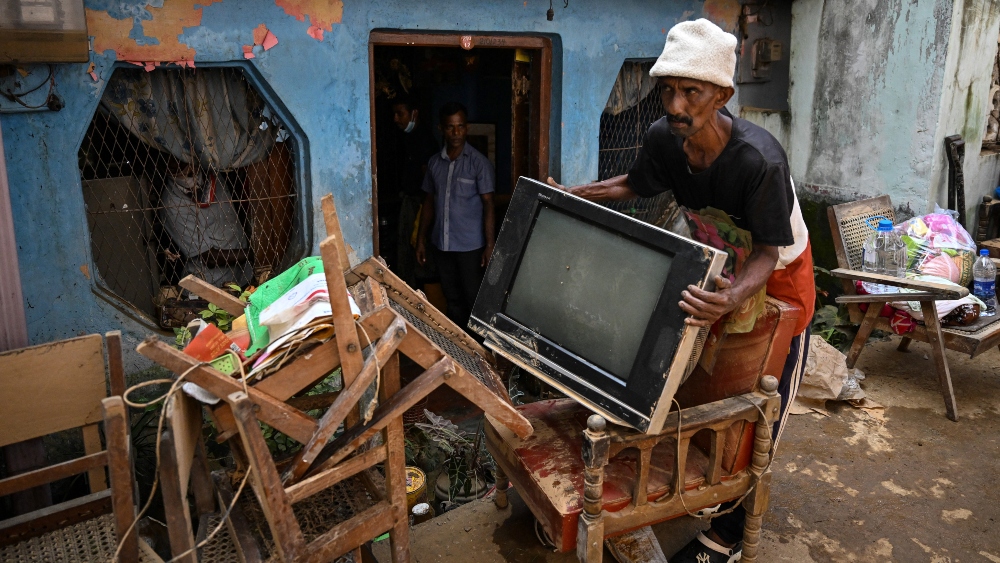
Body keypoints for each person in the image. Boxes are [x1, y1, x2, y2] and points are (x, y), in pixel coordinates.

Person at [549, 19, 814, 563]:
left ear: (722, 96)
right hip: (717, 266)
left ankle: (731, 531)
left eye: (691, 92)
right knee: (703, 388)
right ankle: (696, 490)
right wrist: (576, 195)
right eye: (668, 89)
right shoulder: (663, 139)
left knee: (759, 405)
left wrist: (732, 298)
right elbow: (634, 184)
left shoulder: (759, 161)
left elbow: (767, 253)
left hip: (776, 279)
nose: (675, 104)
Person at [416, 101, 496, 328]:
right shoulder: (434, 163)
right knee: (452, 300)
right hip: (442, 246)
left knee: (473, 300)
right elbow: (428, 202)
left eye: (460, 126)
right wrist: (421, 239)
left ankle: (477, 347)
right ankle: (457, 345)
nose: (456, 132)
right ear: (441, 129)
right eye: (450, 127)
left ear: (466, 127)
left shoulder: (479, 164)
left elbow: (489, 205)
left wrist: (490, 245)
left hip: (471, 247)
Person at [160, 160, 253, 288]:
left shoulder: (213, 176)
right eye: (170, 162)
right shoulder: (172, 203)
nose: (174, 162)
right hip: (212, 285)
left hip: (242, 275)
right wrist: (255, 253)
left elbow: (234, 212)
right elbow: (210, 258)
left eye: (179, 160)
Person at [390, 95, 439, 287]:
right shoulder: (405, 137)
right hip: (409, 200)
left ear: (414, 114)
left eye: (400, 113)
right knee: (405, 253)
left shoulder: (425, 140)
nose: (396, 119)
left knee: (417, 252)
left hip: (420, 205)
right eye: (394, 114)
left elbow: (429, 184)